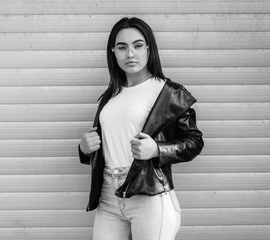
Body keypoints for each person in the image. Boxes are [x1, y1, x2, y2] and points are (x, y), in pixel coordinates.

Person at [78, 17, 204, 240]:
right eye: (122, 47)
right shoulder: (110, 96)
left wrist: (157, 149)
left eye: (137, 45)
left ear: (149, 48)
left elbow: (194, 141)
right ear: (113, 52)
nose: (130, 54)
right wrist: (84, 149)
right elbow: (109, 144)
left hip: (150, 195)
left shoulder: (168, 93)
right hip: (108, 197)